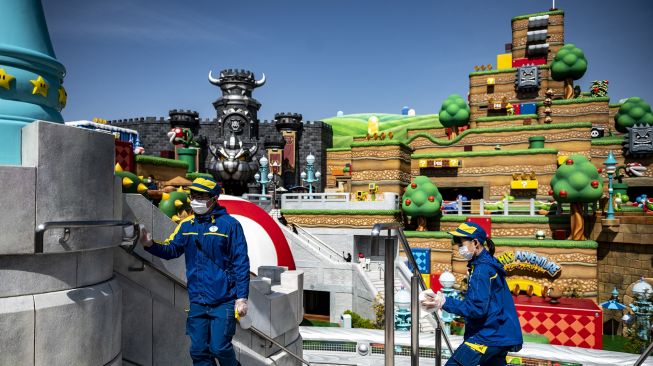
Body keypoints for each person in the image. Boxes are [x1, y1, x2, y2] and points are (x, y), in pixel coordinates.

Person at [139, 177, 250, 366]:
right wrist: (149, 244)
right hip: (197, 300)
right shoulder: (186, 225)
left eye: (201, 196)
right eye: (193, 196)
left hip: (223, 299)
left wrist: (242, 297)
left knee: (220, 347)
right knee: (198, 351)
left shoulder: (230, 225)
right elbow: (171, 250)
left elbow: (241, 262)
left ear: (214, 199)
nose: (195, 200)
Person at [421, 222, 522, 366]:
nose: (458, 248)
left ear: (475, 243)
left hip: (486, 337)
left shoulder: (481, 270)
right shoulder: (488, 264)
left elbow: (477, 308)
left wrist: (443, 302)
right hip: (500, 335)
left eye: (461, 243)